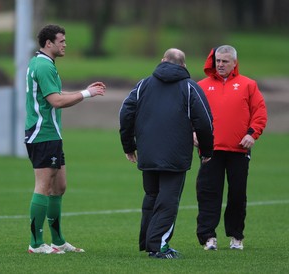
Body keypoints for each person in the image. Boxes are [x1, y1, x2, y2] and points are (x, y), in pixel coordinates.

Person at [119, 48, 214, 259]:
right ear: (184, 66)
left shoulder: (143, 84)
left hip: (148, 152)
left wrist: (128, 145)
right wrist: (206, 150)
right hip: (175, 154)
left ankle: (148, 242)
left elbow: (126, 112)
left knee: (152, 196)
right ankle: (158, 246)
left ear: (163, 61)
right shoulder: (190, 87)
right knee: (168, 200)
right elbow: (205, 122)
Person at [25, 24, 106, 254]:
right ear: (48, 43)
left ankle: (58, 241)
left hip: (52, 134)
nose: (65, 44)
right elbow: (56, 101)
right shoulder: (42, 65)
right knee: (43, 186)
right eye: (61, 41)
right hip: (43, 134)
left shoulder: (44, 63)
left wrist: (84, 91)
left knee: (59, 186)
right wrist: (88, 94)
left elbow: (57, 97)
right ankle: (36, 244)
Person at [195, 45, 267, 251]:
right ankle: (208, 237)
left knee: (237, 194)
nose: (220, 64)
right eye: (218, 60)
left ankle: (236, 237)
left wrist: (252, 134)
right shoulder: (201, 86)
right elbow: (191, 114)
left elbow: (260, 112)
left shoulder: (248, 85)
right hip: (211, 151)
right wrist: (193, 132)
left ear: (234, 63)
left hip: (239, 150)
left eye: (225, 61)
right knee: (208, 194)